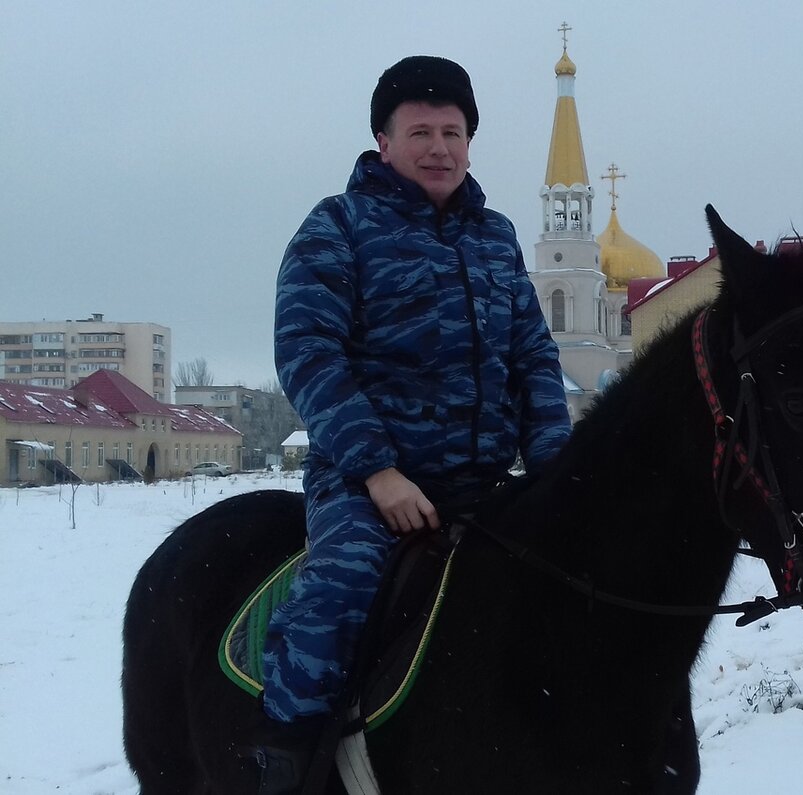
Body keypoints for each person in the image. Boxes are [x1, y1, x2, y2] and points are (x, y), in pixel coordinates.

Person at [256, 55, 572, 790]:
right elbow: (307, 352)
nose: (439, 147)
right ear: (383, 139)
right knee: (336, 595)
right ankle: (286, 762)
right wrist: (377, 469)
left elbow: (532, 355)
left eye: (453, 131)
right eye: (420, 131)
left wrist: (556, 466)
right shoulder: (337, 227)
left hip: (485, 481)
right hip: (369, 485)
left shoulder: (495, 236)